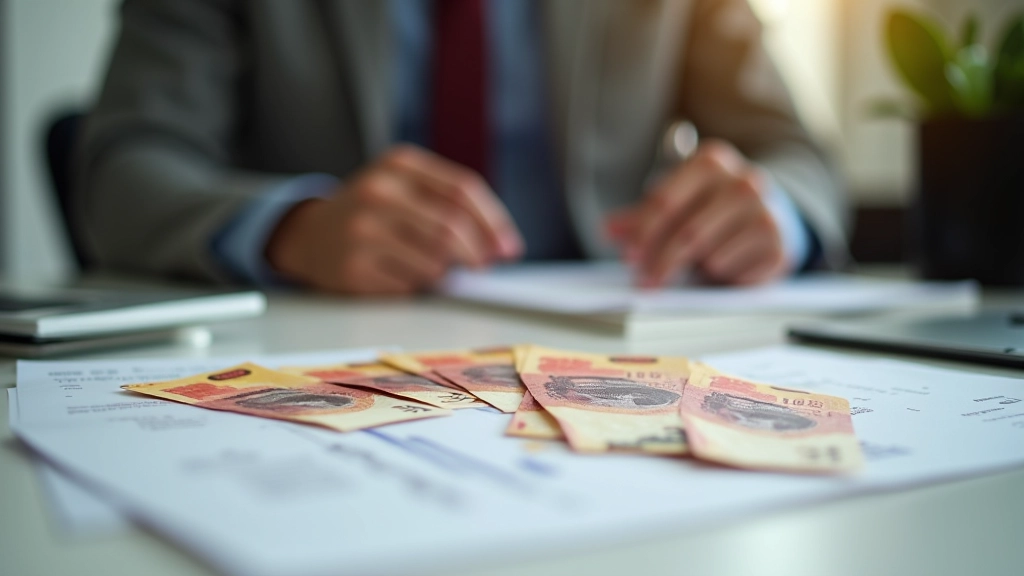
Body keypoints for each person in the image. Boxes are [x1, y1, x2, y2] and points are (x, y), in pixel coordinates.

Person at [74, 0, 847, 296]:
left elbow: (795, 152)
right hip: (327, 342)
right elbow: (125, 166)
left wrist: (773, 209)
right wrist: (293, 229)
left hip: (615, 338)